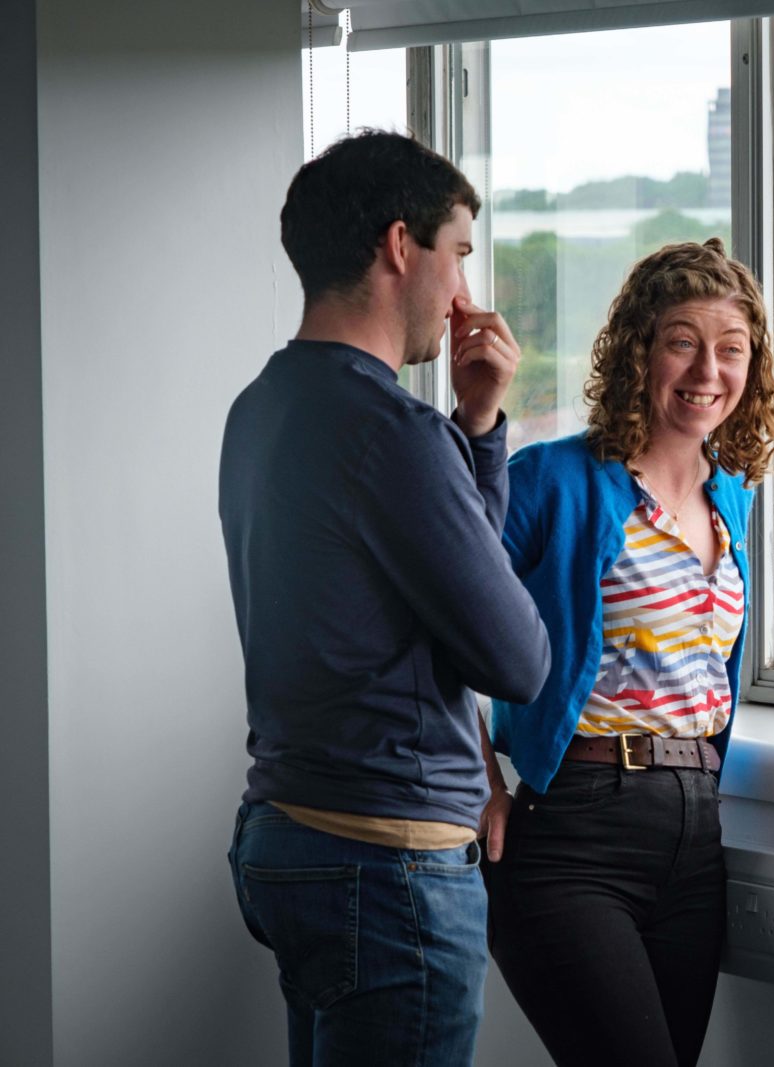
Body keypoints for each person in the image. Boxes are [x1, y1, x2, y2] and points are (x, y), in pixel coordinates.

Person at [219, 130, 550, 1065]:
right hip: (387, 866)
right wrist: (462, 442)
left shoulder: (263, 405)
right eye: (458, 257)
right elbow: (516, 659)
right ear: (400, 246)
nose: (463, 297)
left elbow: (433, 585)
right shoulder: (392, 431)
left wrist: (476, 426)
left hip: (291, 836)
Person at [483, 237, 774, 1067]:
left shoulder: (733, 498)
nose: (707, 370)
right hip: (574, 830)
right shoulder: (551, 480)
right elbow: (437, 628)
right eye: (683, 341)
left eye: (732, 349)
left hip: (695, 839)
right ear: (638, 350)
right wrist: (479, 785)